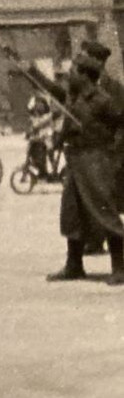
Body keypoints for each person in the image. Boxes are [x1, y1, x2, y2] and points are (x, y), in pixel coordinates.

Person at [26, 41, 124, 283]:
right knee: (72, 213)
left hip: (96, 160)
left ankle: (121, 268)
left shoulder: (103, 100)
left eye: (73, 72)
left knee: (104, 212)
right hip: (76, 160)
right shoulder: (74, 95)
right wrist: (30, 70)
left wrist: (113, 151)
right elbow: (51, 91)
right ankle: (74, 265)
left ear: (85, 75)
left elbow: (121, 123)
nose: (69, 75)